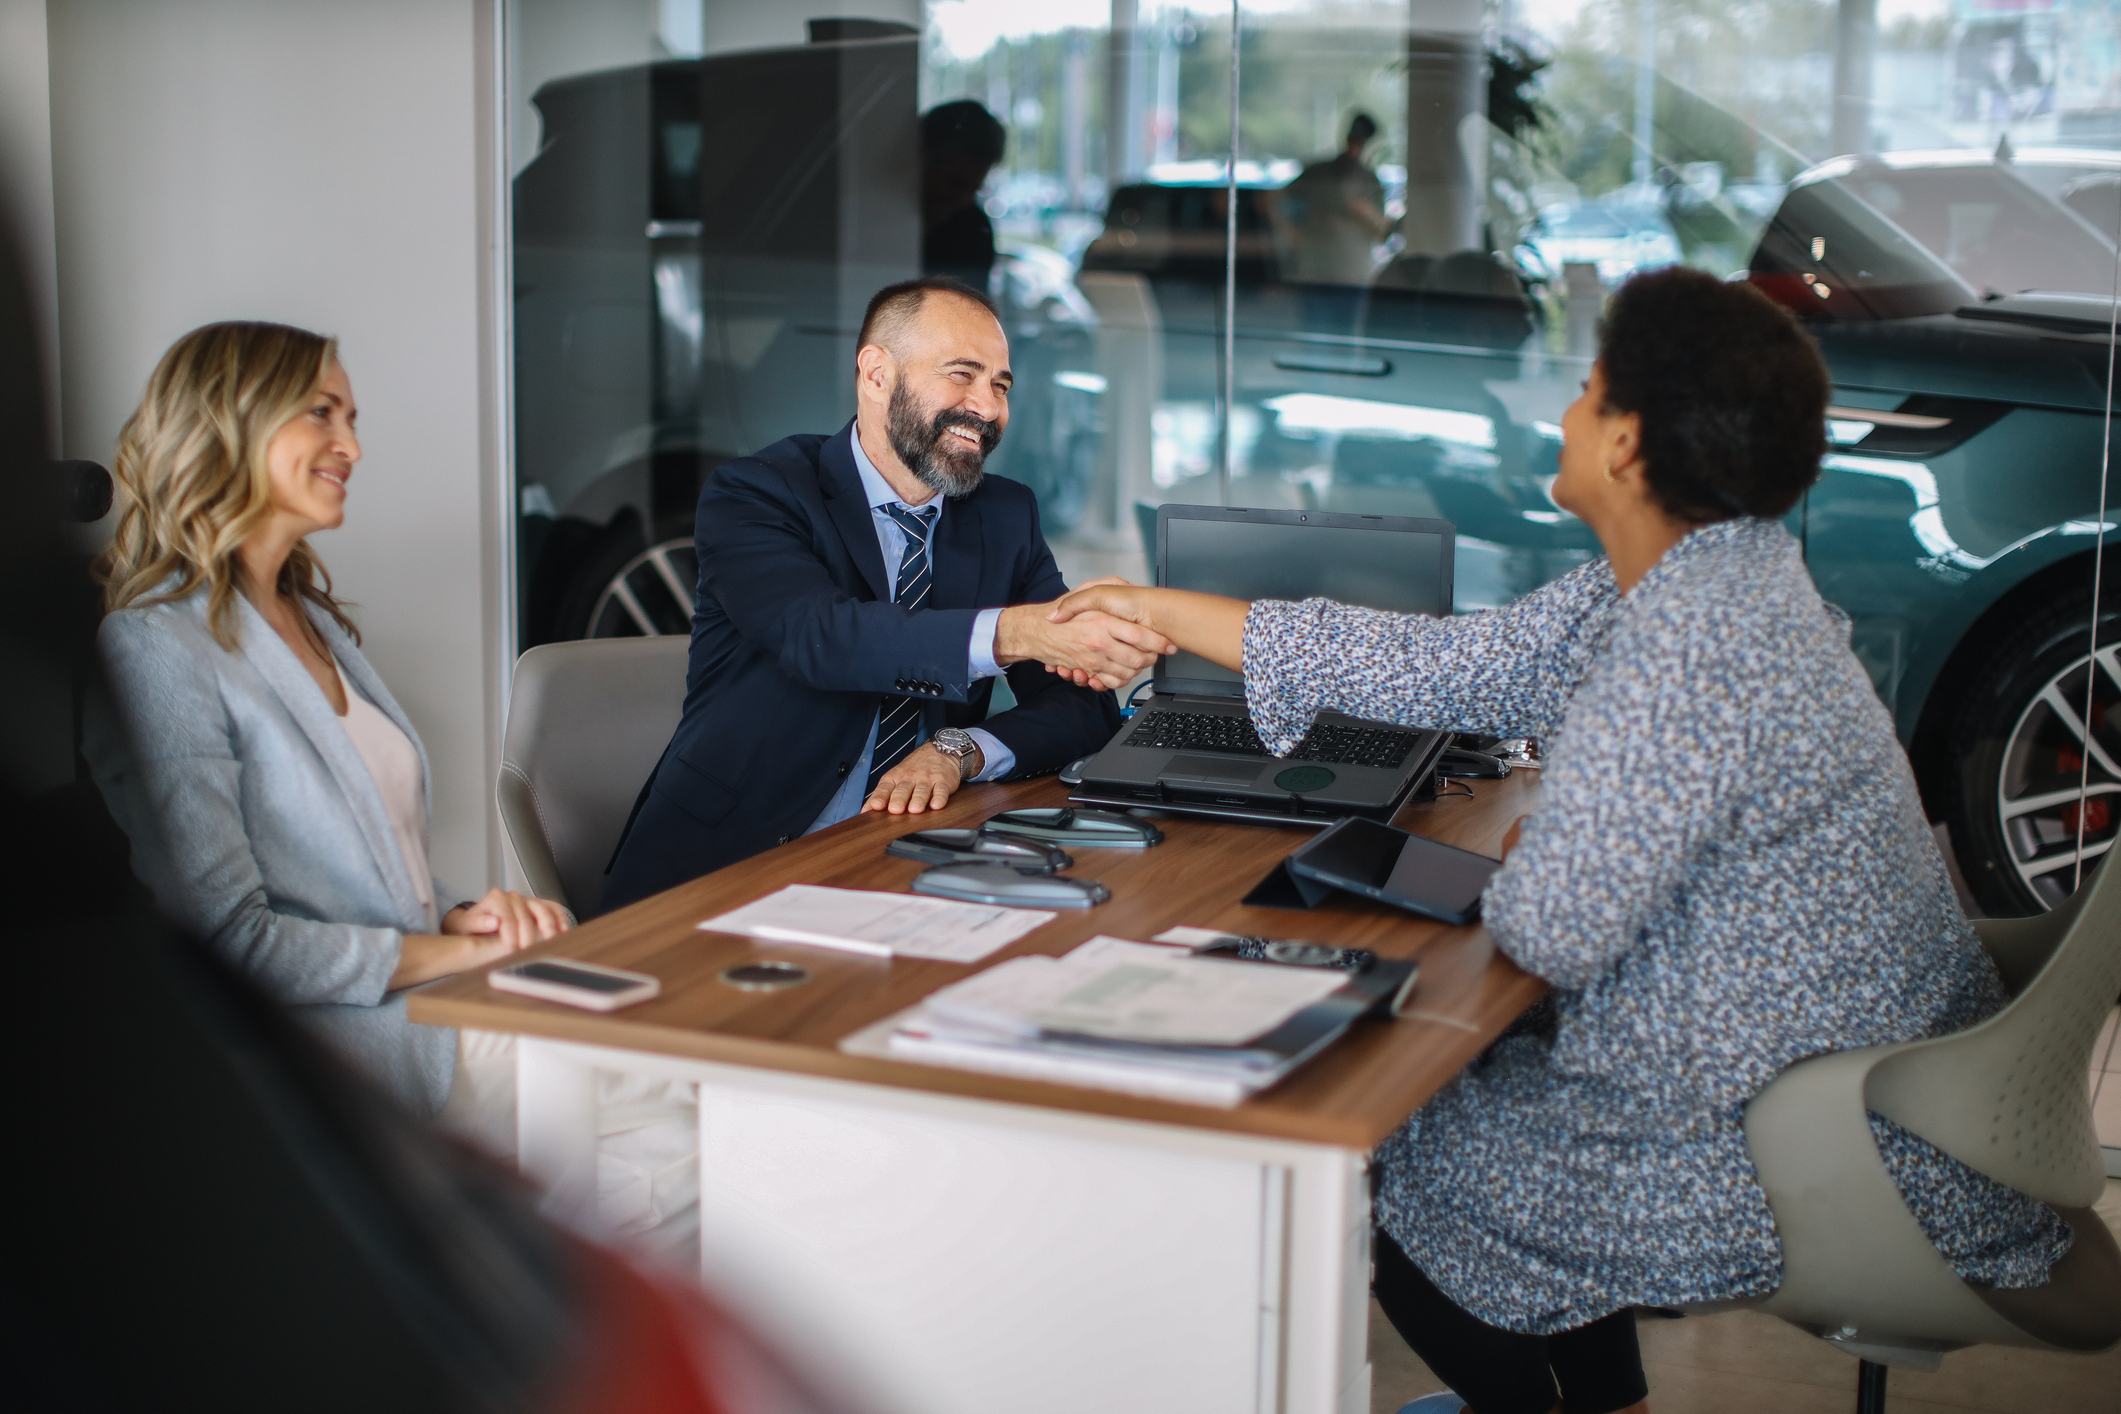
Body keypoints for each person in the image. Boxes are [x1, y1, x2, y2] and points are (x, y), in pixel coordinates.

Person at [1043, 268, 2071, 1414]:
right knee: (1493, 1085)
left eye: (1586, 393)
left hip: (1831, 1145)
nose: (1564, 413)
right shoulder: (1697, 587)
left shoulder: (1686, 652)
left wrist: (1553, 841)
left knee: (1387, 1150)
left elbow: (1550, 928)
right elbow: (1435, 667)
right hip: (1836, 1083)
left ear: (1627, 445)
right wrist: (1152, 605)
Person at [87, 321, 569, 1118]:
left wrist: (458, 912)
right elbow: (229, 942)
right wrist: (454, 952)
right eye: (321, 412)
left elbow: (360, 866)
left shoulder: (308, 618)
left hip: (435, 995)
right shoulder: (156, 647)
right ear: (229, 420)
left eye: (351, 419)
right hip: (347, 1042)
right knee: (673, 1091)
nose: (351, 445)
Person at [599, 277, 1169, 911]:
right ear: (876, 374)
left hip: (903, 860)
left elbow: (1080, 705)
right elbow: (823, 638)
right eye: (963, 374)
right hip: (728, 865)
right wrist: (1020, 631)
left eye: (1001, 385)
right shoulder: (758, 493)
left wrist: (960, 750)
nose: (988, 407)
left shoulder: (1004, 515)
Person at [1273, 112, 1393, 333]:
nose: (1356, 146)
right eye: (1354, 139)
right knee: (1312, 341)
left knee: (1346, 341)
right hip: (1316, 273)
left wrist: (1366, 212)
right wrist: (1291, 232)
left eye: (1362, 141)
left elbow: (1383, 233)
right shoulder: (1317, 174)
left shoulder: (1371, 182)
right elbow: (1274, 200)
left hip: (1353, 277)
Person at [920, 100, 1007, 290]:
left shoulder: (970, 229)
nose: (964, 198)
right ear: (922, 162)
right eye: (954, 183)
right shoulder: (971, 228)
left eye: (974, 189)